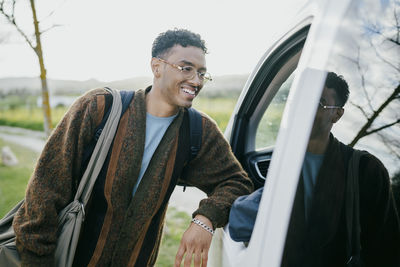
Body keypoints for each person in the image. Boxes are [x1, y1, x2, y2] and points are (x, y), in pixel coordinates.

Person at [13, 29, 253, 267]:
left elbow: (236, 182)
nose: (196, 80)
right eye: (186, 68)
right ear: (156, 67)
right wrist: (37, 259)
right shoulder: (98, 108)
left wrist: (205, 219)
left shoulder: (198, 130)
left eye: (202, 73)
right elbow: (43, 194)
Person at [228, 72, 400, 267]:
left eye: (318, 103)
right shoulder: (286, 161)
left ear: (337, 114)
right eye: (300, 100)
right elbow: (239, 223)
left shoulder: (366, 170)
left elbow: (386, 250)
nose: (304, 108)